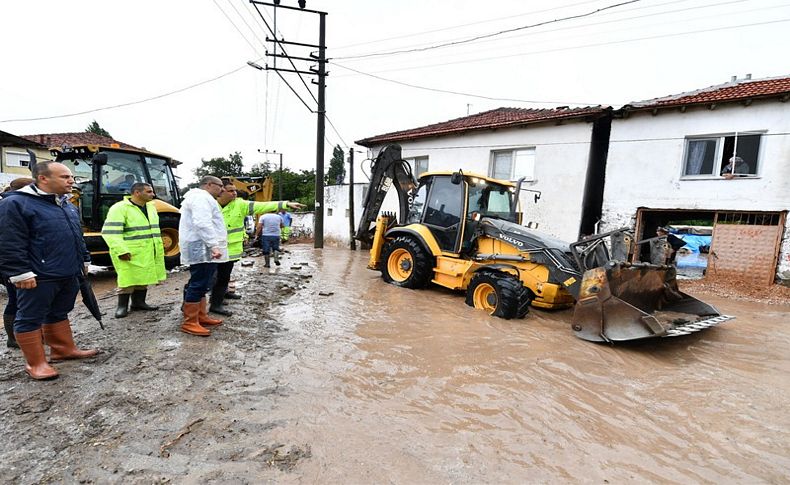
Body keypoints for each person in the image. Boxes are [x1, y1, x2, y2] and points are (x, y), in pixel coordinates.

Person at [0, 162, 98, 380]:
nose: (71, 180)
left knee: (59, 311)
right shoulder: (16, 204)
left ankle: (62, 350)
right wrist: (20, 272)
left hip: (68, 271)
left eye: (71, 176)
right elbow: (9, 242)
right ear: (43, 178)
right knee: (29, 317)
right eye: (65, 177)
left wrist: (83, 259)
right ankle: (36, 364)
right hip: (39, 275)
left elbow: (76, 236)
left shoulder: (66, 205)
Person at [208, 181, 305, 316]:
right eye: (231, 191)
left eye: (235, 190)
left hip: (230, 250)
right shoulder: (209, 204)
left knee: (223, 277)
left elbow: (261, 205)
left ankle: (217, 303)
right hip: (213, 249)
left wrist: (285, 204)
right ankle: (196, 304)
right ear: (220, 191)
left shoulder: (240, 204)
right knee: (208, 278)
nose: (235, 193)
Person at [101, 182, 166, 318]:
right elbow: (111, 232)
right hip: (129, 251)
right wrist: (121, 250)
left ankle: (138, 303)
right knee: (127, 279)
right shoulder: (120, 208)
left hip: (148, 249)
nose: (153, 194)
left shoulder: (151, 207)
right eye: (149, 192)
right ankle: (122, 306)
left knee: (144, 276)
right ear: (137, 193)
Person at [178, 176, 228, 336]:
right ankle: (190, 322)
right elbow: (202, 223)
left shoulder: (203, 198)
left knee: (204, 283)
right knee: (198, 283)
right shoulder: (200, 198)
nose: (223, 189)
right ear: (209, 185)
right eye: (220, 186)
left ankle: (201, 315)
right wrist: (214, 245)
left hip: (203, 246)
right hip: (202, 247)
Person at [1, 177, 34, 348]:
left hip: (20, 262)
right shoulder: (9, 206)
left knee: (22, 300)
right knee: (16, 300)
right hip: (13, 265)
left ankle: (19, 336)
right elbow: (9, 241)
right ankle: (13, 338)